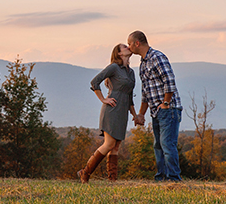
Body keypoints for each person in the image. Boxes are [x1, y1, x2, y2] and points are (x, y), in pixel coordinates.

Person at [77, 43, 141, 183]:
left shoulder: (131, 72)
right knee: (109, 144)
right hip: (112, 109)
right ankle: (85, 172)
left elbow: (130, 96)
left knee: (116, 146)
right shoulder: (114, 67)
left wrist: (135, 115)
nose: (128, 47)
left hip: (123, 111)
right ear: (118, 53)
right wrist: (103, 99)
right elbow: (95, 82)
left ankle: (112, 180)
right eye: (124, 47)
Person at [128, 30, 184, 181]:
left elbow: (169, 81)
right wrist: (141, 114)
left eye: (129, 44)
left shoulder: (157, 57)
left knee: (167, 144)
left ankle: (173, 179)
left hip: (168, 109)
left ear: (137, 43)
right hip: (156, 112)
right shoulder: (143, 64)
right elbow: (146, 92)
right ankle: (161, 178)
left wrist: (166, 103)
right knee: (158, 146)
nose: (129, 47)